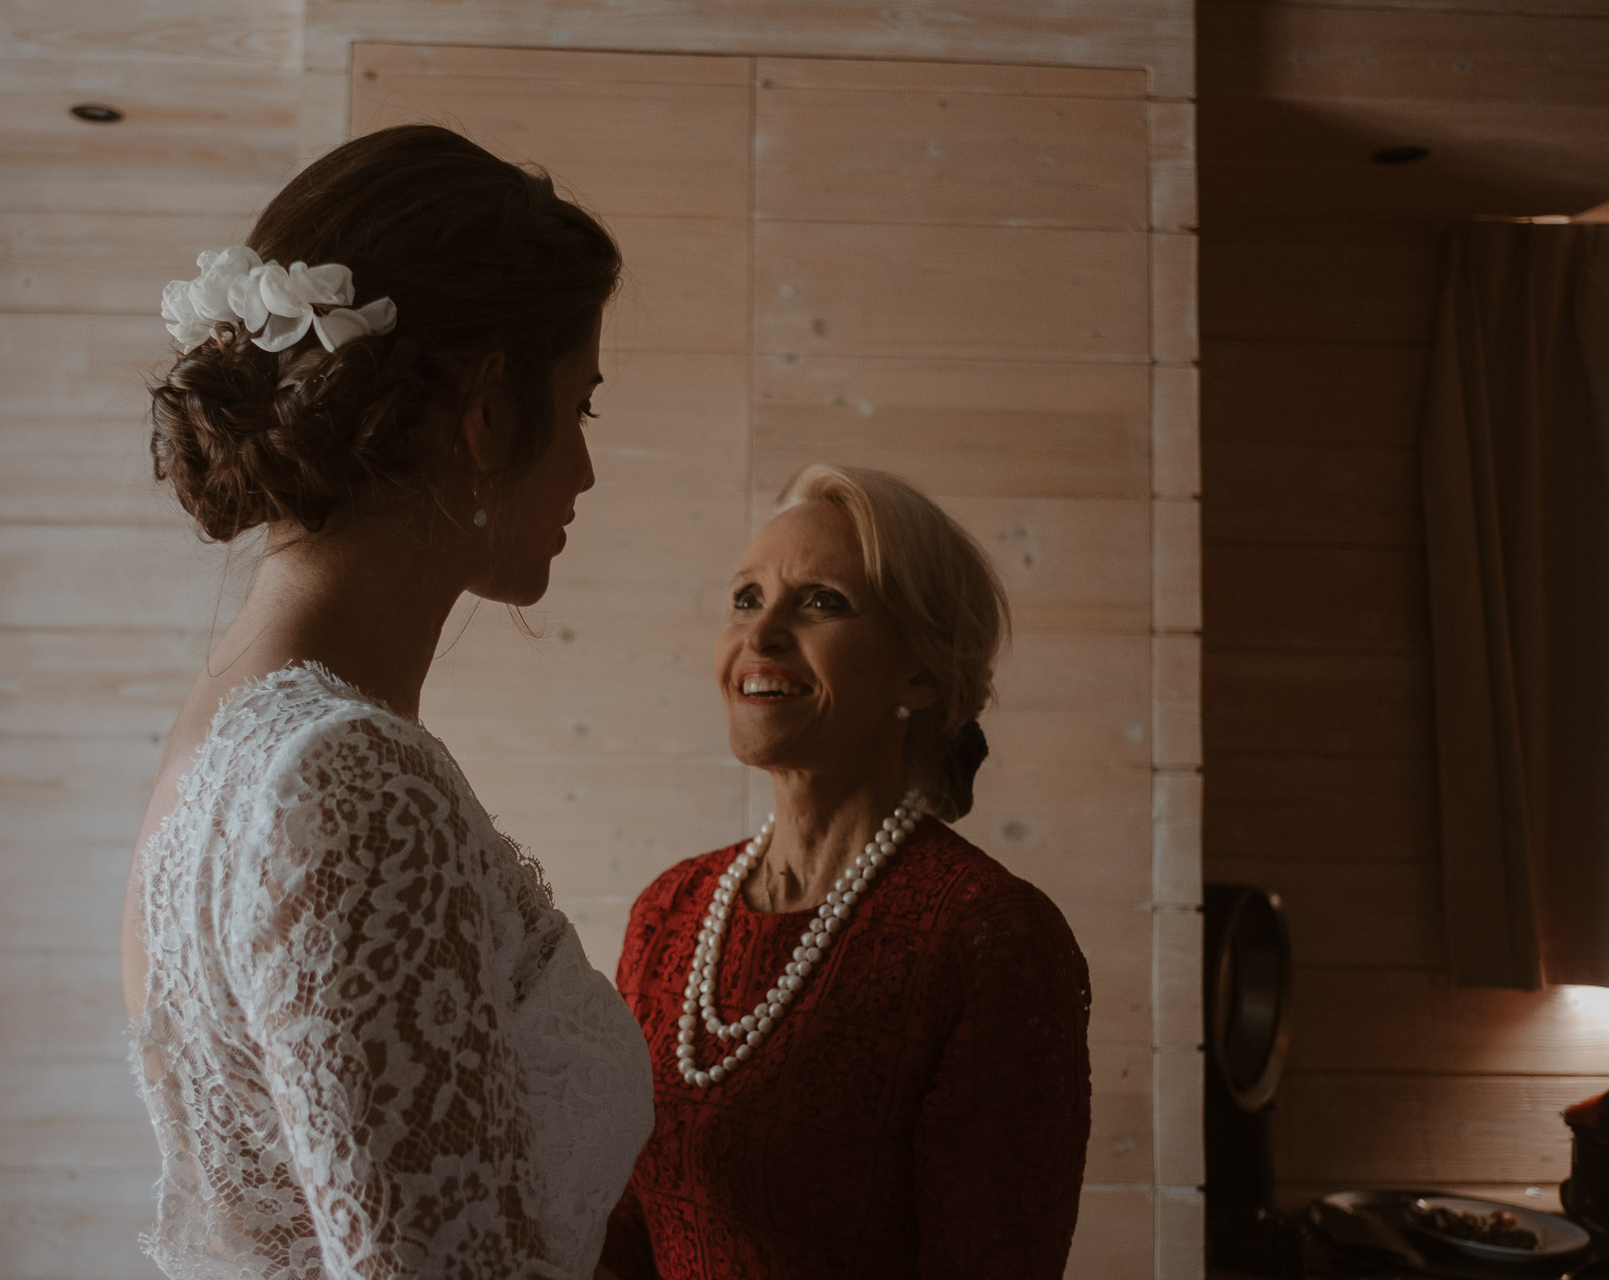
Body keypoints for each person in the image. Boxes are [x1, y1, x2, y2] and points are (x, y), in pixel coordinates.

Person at [121, 124, 654, 1280]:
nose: (583, 472)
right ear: (481, 417)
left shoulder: (231, 741)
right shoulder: (344, 779)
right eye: (579, 410)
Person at [601, 465, 1091, 1280]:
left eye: (822, 601)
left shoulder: (991, 938)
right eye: (746, 599)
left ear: (922, 672)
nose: (760, 636)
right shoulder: (670, 910)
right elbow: (622, 1228)